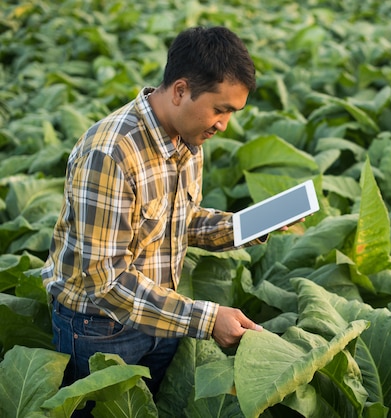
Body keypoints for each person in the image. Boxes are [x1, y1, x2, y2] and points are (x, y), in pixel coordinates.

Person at [41, 26, 277, 406]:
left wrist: (251, 225)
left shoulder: (188, 137)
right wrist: (206, 319)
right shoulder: (111, 154)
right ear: (181, 90)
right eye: (220, 110)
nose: (223, 125)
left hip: (163, 315)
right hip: (100, 328)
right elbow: (107, 281)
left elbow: (181, 220)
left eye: (231, 113)